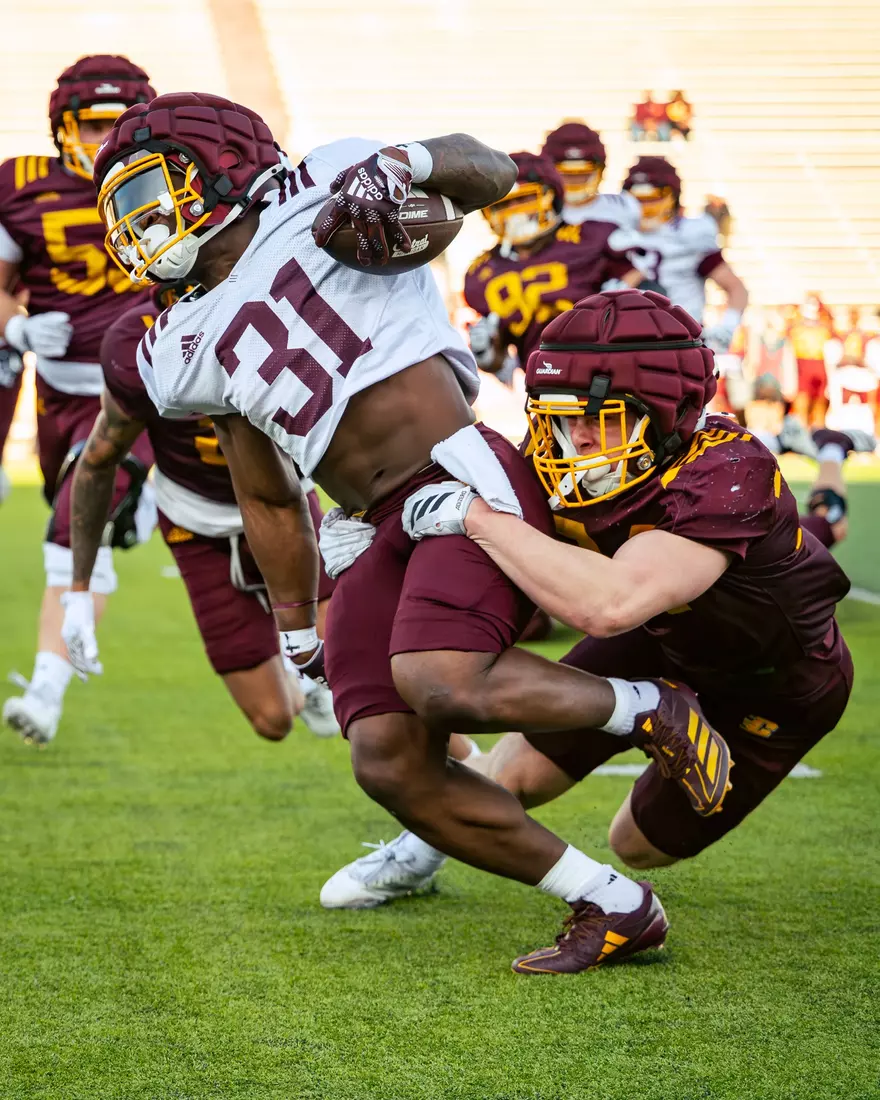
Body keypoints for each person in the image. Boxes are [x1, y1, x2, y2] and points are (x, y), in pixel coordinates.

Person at [92, 93, 730, 974]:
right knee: (388, 761)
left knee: (437, 678)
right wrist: (295, 622)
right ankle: (616, 904)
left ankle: (650, 707)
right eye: (122, 208)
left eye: (150, 194)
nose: (137, 226)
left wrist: (409, 165)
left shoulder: (319, 184)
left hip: (460, 473)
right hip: (365, 522)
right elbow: (269, 492)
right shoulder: (181, 340)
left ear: (219, 166)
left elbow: (491, 167)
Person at [326, 292, 853, 967]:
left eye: (598, 422)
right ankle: (423, 848)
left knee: (637, 842)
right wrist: (381, 533)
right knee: (512, 769)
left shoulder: (727, 472)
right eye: (562, 420)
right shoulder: (569, 455)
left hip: (776, 685)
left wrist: (481, 520)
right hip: (661, 641)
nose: (575, 442)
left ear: (663, 414)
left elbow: (610, 602)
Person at [60, 287, 340, 739]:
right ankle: (297, 686)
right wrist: (77, 590)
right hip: (196, 520)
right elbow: (97, 459)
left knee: (357, 671)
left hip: (286, 504)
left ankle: (469, 764)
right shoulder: (137, 339)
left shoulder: (277, 298)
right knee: (273, 720)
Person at [0, 55, 156, 744]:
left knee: (71, 529)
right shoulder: (19, 186)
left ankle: (47, 690)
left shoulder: (169, 178)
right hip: (59, 393)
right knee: (87, 528)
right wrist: (17, 325)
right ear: (62, 127)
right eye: (92, 126)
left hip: (148, 388)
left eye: (118, 124)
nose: (105, 138)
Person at [464, 152, 646, 380]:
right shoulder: (482, 272)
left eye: (525, 199)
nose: (516, 212)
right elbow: (500, 357)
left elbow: (649, 289)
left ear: (552, 196)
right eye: (506, 204)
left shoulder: (592, 237)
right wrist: (487, 355)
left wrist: (620, 304)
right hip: (544, 382)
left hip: (609, 373)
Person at [621, 157, 748, 354]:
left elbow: (736, 288)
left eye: (654, 197)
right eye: (637, 198)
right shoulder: (616, 234)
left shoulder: (690, 233)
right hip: (626, 341)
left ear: (673, 197)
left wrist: (727, 328)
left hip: (680, 341)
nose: (645, 206)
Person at [540, 122, 641, 230]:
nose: (574, 181)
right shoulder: (539, 212)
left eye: (582, 173)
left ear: (600, 171)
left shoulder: (624, 206)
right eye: (566, 174)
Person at [786, 294, 836, 428]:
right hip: (802, 364)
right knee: (802, 399)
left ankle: (818, 430)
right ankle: (802, 430)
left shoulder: (825, 327)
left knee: (820, 401)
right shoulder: (795, 327)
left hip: (820, 365)